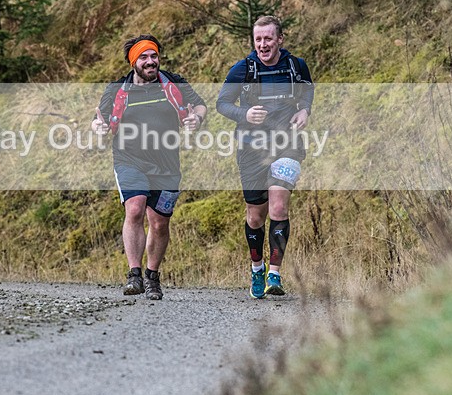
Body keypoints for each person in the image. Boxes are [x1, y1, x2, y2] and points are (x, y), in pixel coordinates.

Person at [93, 35, 207, 300]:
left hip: (167, 164)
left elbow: (200, 105)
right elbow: (99, 120)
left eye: (154, 56)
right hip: (128, 159)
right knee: (135, 208)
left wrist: (196, 118)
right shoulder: (117, 89)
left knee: (159, 223)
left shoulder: (173, 82)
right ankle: (134, 274)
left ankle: (152, 277)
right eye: (143, 57)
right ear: (134, 62)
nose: (150, 61)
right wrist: (97, 127)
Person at [216, 15, 314, 299]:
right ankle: (256, 268)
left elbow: (307, 89)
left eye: (268, 38)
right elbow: (222, 103)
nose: (263, 44)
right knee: (255, 216)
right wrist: (243, 114)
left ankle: (274, 273)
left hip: (288, 144)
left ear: (280, 39)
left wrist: (304, 110)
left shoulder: (296, 65)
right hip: (251, 148)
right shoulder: (242, 69)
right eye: (258, 39)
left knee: (278, 208)